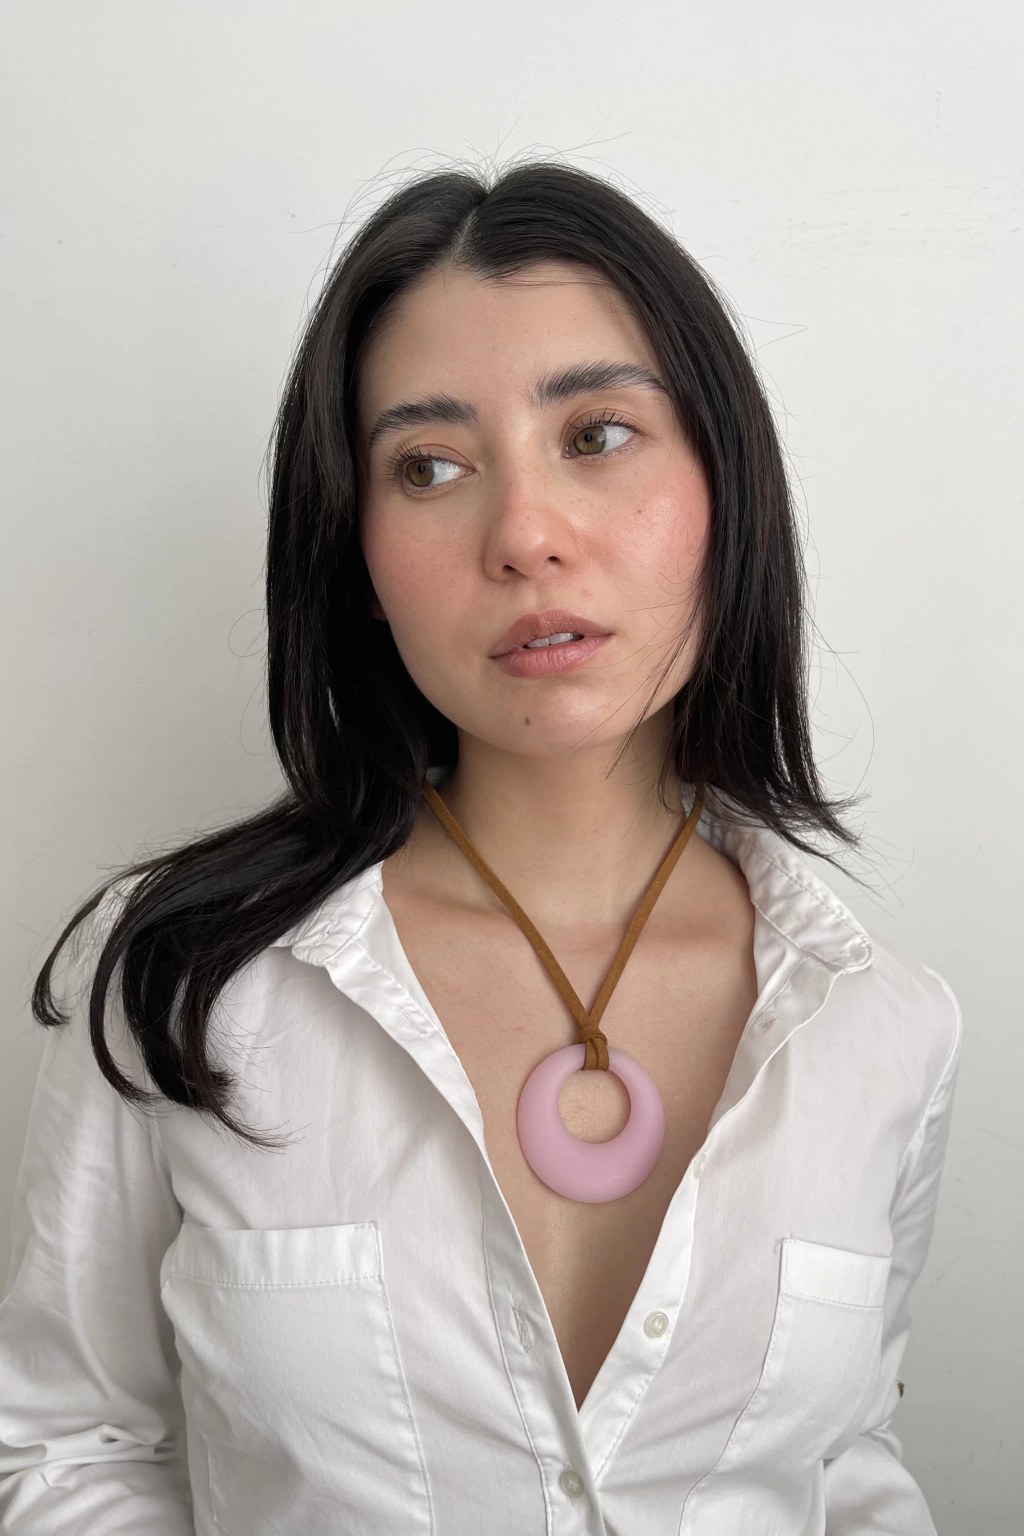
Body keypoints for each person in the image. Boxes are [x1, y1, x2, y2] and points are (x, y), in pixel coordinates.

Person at [0, 160, 962, 1535]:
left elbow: (848, 1463)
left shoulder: (883, 1025)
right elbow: (68, 1448)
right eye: (429, 467)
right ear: (355, 552)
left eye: (598, 434)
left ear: (725, 485)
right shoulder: (178, 978)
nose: (523, 536)